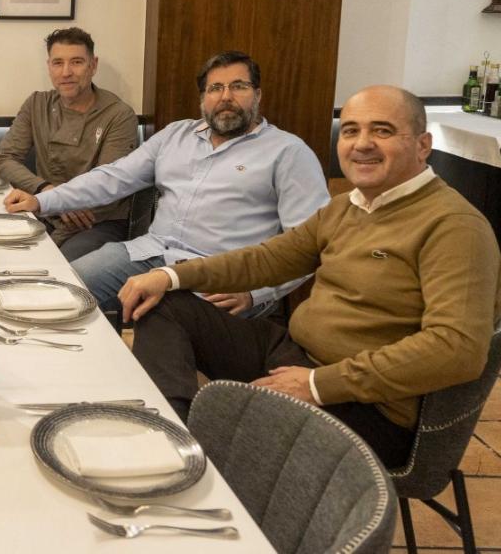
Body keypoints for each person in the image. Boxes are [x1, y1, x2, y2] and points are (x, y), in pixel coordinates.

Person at [118, 85, 501, 467]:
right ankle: (171, 437)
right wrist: (170, 276)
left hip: (366, 407)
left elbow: (457, 350)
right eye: (350, 130)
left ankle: (186, 468)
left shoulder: (454, 226)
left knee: (224, 423)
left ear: (422, 145)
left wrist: (320, 385)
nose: (362, 143)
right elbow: (266, 260)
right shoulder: (348, 207)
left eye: (382, 131)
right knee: (165, 303)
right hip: (294, 355)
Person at [5, 50, 328, 319]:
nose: (226, 97)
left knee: (159, 329)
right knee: (61, 292)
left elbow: (311, 243)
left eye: (238, 86)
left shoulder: (288, 152)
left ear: (257, 94)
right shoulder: (177, 135)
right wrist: (43, 201)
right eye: (215, 88)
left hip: (222, 276)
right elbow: (113, 177)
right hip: (151, 254)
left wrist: (257, 293)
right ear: (203, 98)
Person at [0, 27, 139, 261]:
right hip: (44, 211)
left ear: (93, 65)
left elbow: (110, 184)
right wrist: (47, 191)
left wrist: (64, 201)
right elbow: (3, 160)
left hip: (96, 222)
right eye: (58, 63)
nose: (66, 72)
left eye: (77, 62)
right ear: (49, 66)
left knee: (63, 269)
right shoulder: (36, 104)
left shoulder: (119, 115)